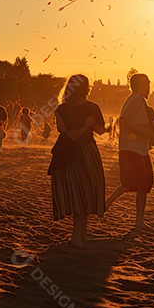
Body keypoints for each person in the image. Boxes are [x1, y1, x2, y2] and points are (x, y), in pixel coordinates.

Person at [48, 74, 107, 247]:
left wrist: (83, 127)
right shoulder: (92, 108)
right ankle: (78, 237)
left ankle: (79, 236)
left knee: (74, 193)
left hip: (64, 153)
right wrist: (87, 125)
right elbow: (99, 131)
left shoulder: (61, 109)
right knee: (86, 192)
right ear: (86, 88)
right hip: (84, 152)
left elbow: (63, 130)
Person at [107, 73, 154, 238]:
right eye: (147, 84)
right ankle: (107, 205)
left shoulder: (138, 100)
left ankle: (138, 220)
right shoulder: (136, 100)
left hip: (138, 148)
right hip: (132, 149)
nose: (149, 87)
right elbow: (127, 121)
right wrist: (148, 134)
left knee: (143, 184)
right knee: (133, 183)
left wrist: (148, 139)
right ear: (138, 85)